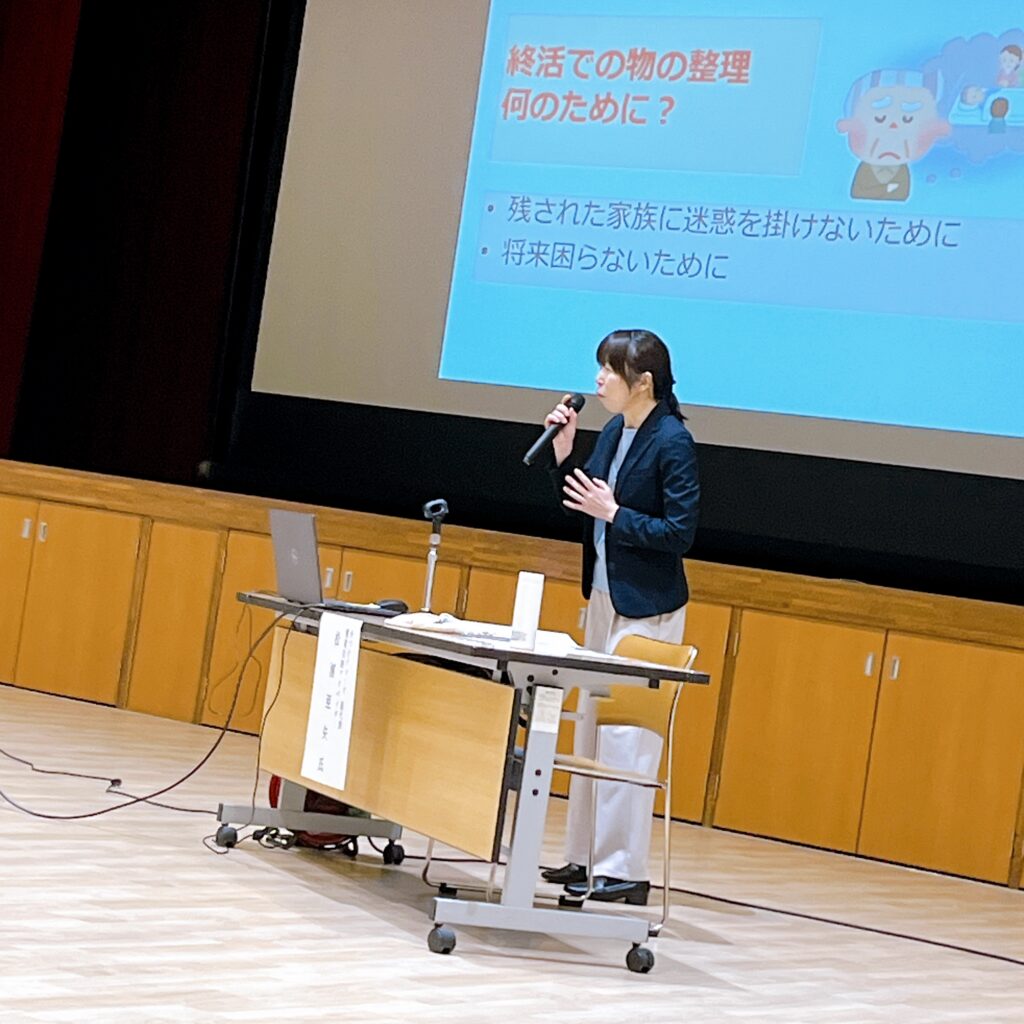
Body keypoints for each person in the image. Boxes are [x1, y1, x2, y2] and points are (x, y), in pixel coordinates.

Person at [540, 329, 699, 904]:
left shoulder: (672, 441)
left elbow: (678, 533)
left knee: (627, 740)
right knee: (591, 729)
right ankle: (583, 859)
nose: (599, 380)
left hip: (647, 609)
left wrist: (616, 514)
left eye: (609, 370)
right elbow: (586, 504)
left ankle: (624, 869)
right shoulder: (613, 431)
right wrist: (564, 453)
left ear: (644, 382)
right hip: (605, 600)